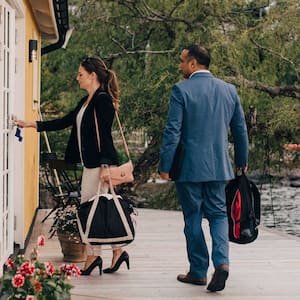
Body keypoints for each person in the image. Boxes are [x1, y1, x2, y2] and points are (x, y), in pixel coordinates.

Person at [15, 57, 130, 276]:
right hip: (92, 164)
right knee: (99, 209)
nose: (77, 78)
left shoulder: (102, 100)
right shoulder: (87, 101)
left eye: (80, 74)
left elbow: (105, 136)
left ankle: (94, 255)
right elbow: (65, 121)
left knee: (90, 210)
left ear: (92, 76)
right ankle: (117, 251)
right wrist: (32, 124)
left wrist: (105, 165)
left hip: (99, 165)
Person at [159, 44, 248, 292]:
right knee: (219, 215)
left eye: (182, 61)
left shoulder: (181, 90)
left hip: (188, 168)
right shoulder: (229, 90)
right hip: (219, 167)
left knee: (193, 218)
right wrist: (241, 160)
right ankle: (222, 263)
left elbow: (172, 131)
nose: (180, 66)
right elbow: (240, 130)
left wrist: (165, 165)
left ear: (193, 63)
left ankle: (198, 271)